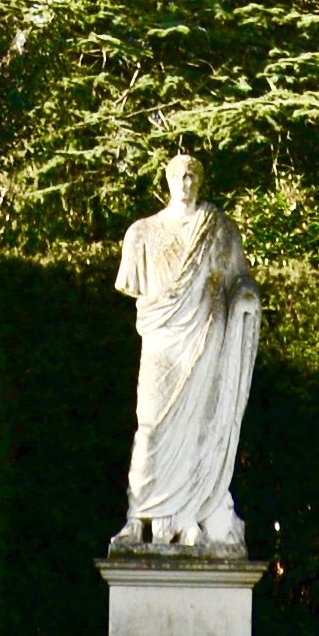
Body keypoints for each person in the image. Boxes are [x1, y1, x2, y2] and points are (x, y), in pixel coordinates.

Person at [109, 152, 261, 554]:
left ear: (202, 182)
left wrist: (247, 298)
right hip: (161, 340)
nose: (186, 182)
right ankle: (139, 516)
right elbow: (133, 286)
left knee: (201, 426)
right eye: (179, 175)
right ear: (167, 181)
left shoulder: (221, 230)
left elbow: (240, 279)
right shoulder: (141, 234)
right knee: (151, 425)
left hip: (204, 339)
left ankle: (189, 513)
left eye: (193, 175)